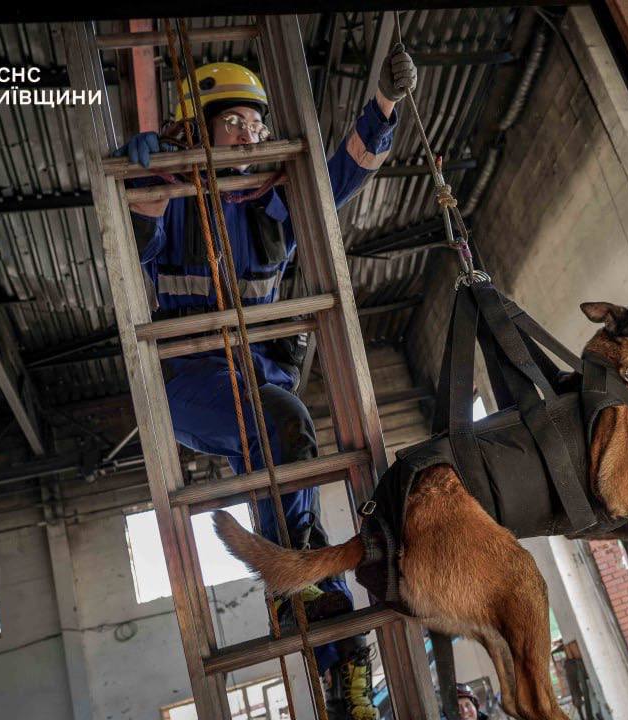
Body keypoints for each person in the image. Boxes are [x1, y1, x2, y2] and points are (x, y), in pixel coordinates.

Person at [117, 47, 417, 720]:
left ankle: (341, 664)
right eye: (234, 123)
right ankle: (295, 583)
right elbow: (137, 232)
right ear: (198, 129)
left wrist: (386, 107)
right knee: (283, 428)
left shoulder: (273, 204)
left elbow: (343, 172)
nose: (250, 133)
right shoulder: (175, 199)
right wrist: (143, 175)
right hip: (193, 385)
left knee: (286, 462)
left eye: (256, 122)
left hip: (261, 385)